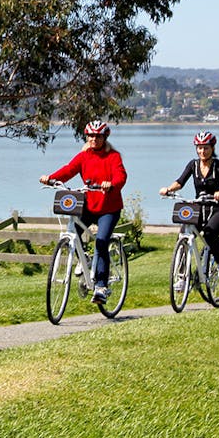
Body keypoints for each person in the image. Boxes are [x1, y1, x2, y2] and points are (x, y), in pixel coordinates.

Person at [39, 120, 127, 303]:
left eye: (98, 136)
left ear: (105, 137)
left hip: (108, 209)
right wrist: (50, 178)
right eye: (91, 136)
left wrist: (111, 184)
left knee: (101, 242)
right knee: (73, 233)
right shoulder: (83, 156)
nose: (94, 139)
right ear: (86, 137)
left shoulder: (113, 156)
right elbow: (68, 170)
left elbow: (121, 175)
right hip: (88, 206)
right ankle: (84, 259)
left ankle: (102, 286)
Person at [160, 131, 219, 286]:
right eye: (199, 148)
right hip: (199, 208)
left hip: (218, 209)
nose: (202, 151)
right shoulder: (193, 164)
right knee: (183, 236)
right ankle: (181, 277)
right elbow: (180, 182)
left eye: (205, 148)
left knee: (210, 232)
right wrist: (168, 189)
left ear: (212, 148)